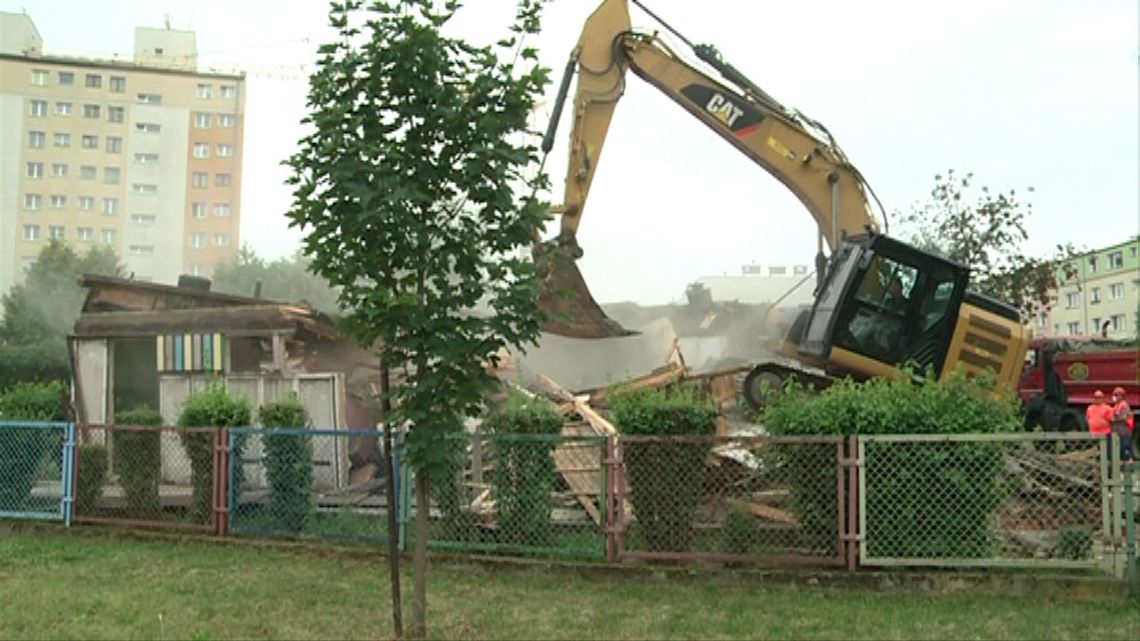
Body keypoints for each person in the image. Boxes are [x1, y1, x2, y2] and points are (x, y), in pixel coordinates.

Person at [1110, 386, 1134, 462]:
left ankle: (1130, 466)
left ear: (1122, 396)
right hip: (1118, 432)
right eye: (1115, 395)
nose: (1116, 397)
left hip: (1124, 431)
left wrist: (1113, 420)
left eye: (1118, 395)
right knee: (1119, 451)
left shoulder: (1124, 405)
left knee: (1126, 449)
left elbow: (1124, 418)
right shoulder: (1116, 406)